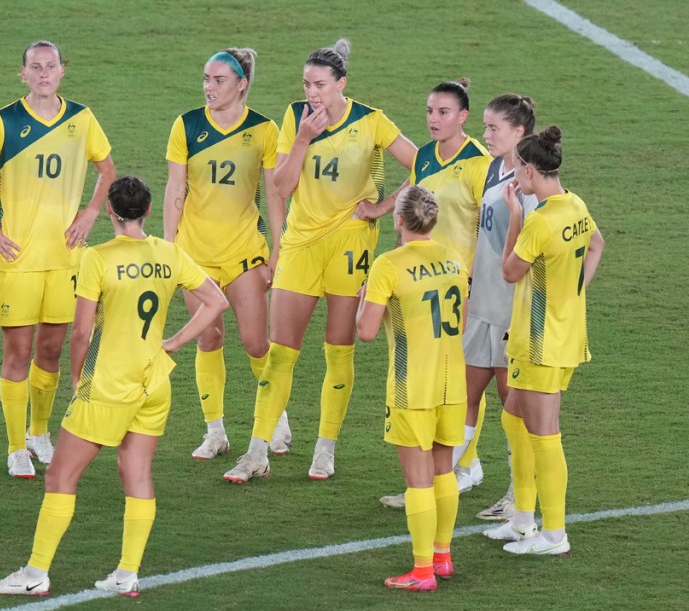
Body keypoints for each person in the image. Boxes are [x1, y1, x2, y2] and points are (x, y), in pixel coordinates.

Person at [0, 176, 228, 596]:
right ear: (148, 210)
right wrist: (174, 343)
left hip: (109, 384)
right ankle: (127, 573)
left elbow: (80, 333)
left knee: (60, 477)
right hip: (154, 382)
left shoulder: (97, 258)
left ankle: (35, 574)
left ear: (111, 212)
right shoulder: (169, 253)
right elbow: (216, 301)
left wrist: (78, 379)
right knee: (137, 476)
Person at [223, 38, 416, 483]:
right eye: (307, 83)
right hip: (301, 244)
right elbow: (283, 186)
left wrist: (382, 208)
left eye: (321, 85)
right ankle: (256, 452)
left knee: (338, 347)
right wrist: (305, 138)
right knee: (280, 353)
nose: (312, 92)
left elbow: (421, 162)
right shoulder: (295, 119)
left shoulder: (371, 121)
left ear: (341, 84)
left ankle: (324, 449)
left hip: (351, 244)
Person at [0, 40, 116, 479]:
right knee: (17, 353)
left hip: (64, 259)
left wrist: (91, 212)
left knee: (51, 351)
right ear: (23, 74)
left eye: (51, 66)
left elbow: (108, 170)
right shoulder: (3, 121)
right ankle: (15, 445)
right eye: (36, 67)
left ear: (63, 71)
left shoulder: (82, 118)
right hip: (15, 259)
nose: (44, 74)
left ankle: (40, 433)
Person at [485, 126, 604, 555]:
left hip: (540, 343)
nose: (513, 178)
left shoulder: (540, 221)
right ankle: (521, 520)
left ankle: (554, 535)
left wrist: (515, 216)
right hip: (559, 335)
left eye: (516, 171)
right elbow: (597, 245)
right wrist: (573, 292)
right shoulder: (574, 203)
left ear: (531, 172)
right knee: (512, 419)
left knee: (544, 434)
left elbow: (510, 272)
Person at [163, 47, 283, 460]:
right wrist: (168, 249)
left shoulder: (265, 130)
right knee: (208, 337)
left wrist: (277, 252)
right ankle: (215, 431)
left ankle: (275, 418)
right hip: (194, 252)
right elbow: (175, 189)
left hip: (244, 250)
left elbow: (274, 194)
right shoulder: (187, 124)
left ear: (241, 84)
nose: (208, 87)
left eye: (218, 80)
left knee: (255, 343)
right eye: (206, 79)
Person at [378, 79, 492, 508]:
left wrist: (477, 282)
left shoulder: (479, 163)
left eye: (443, 112)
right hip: (421, 279)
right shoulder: (425, 156)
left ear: (463, 117)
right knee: (436, 375)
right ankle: (454, 467)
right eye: (429, 111)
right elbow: (412, 199)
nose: (433, 119)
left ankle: (458, 467)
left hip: (458, 283)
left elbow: (489, 224)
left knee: (459, 378)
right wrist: (379, 210)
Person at [356, 185, 468, 592]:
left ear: (398, 220)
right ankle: (442, 557)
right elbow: (464, 321)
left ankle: (421, 572)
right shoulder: (454, 258)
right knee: (444, 471)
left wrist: (364, 300)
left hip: (411, 386)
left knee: (417, 480)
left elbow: (366, 332)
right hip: (452, 383)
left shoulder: (389, 264)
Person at [465, 94, 539, 521]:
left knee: (514, 406)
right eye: (486, 126)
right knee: (465, 393)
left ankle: (518, 494)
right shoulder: (495, 168)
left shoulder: (531, 182)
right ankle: (456, 471)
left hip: (512, 311)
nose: (486, 134)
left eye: (494, 128)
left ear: (519, 132)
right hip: (482, 304)